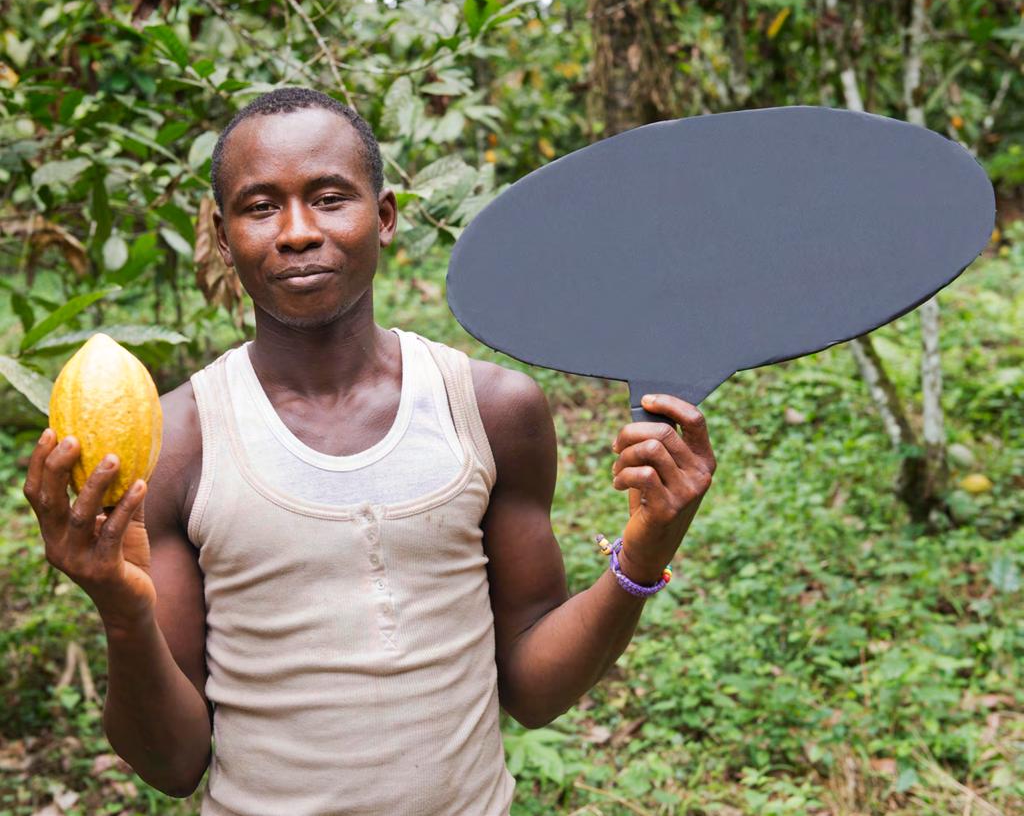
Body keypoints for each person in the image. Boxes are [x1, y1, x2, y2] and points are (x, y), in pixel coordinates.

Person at [23, 87, 716, 816]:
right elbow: (172, 763)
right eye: (260, 207)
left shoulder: (490, 410)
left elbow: (535, 689)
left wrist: (645, 552)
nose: (297, 231)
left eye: (329, 198)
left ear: (383, 218)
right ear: (222, 238)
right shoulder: (181, 441)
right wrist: (121, 611)